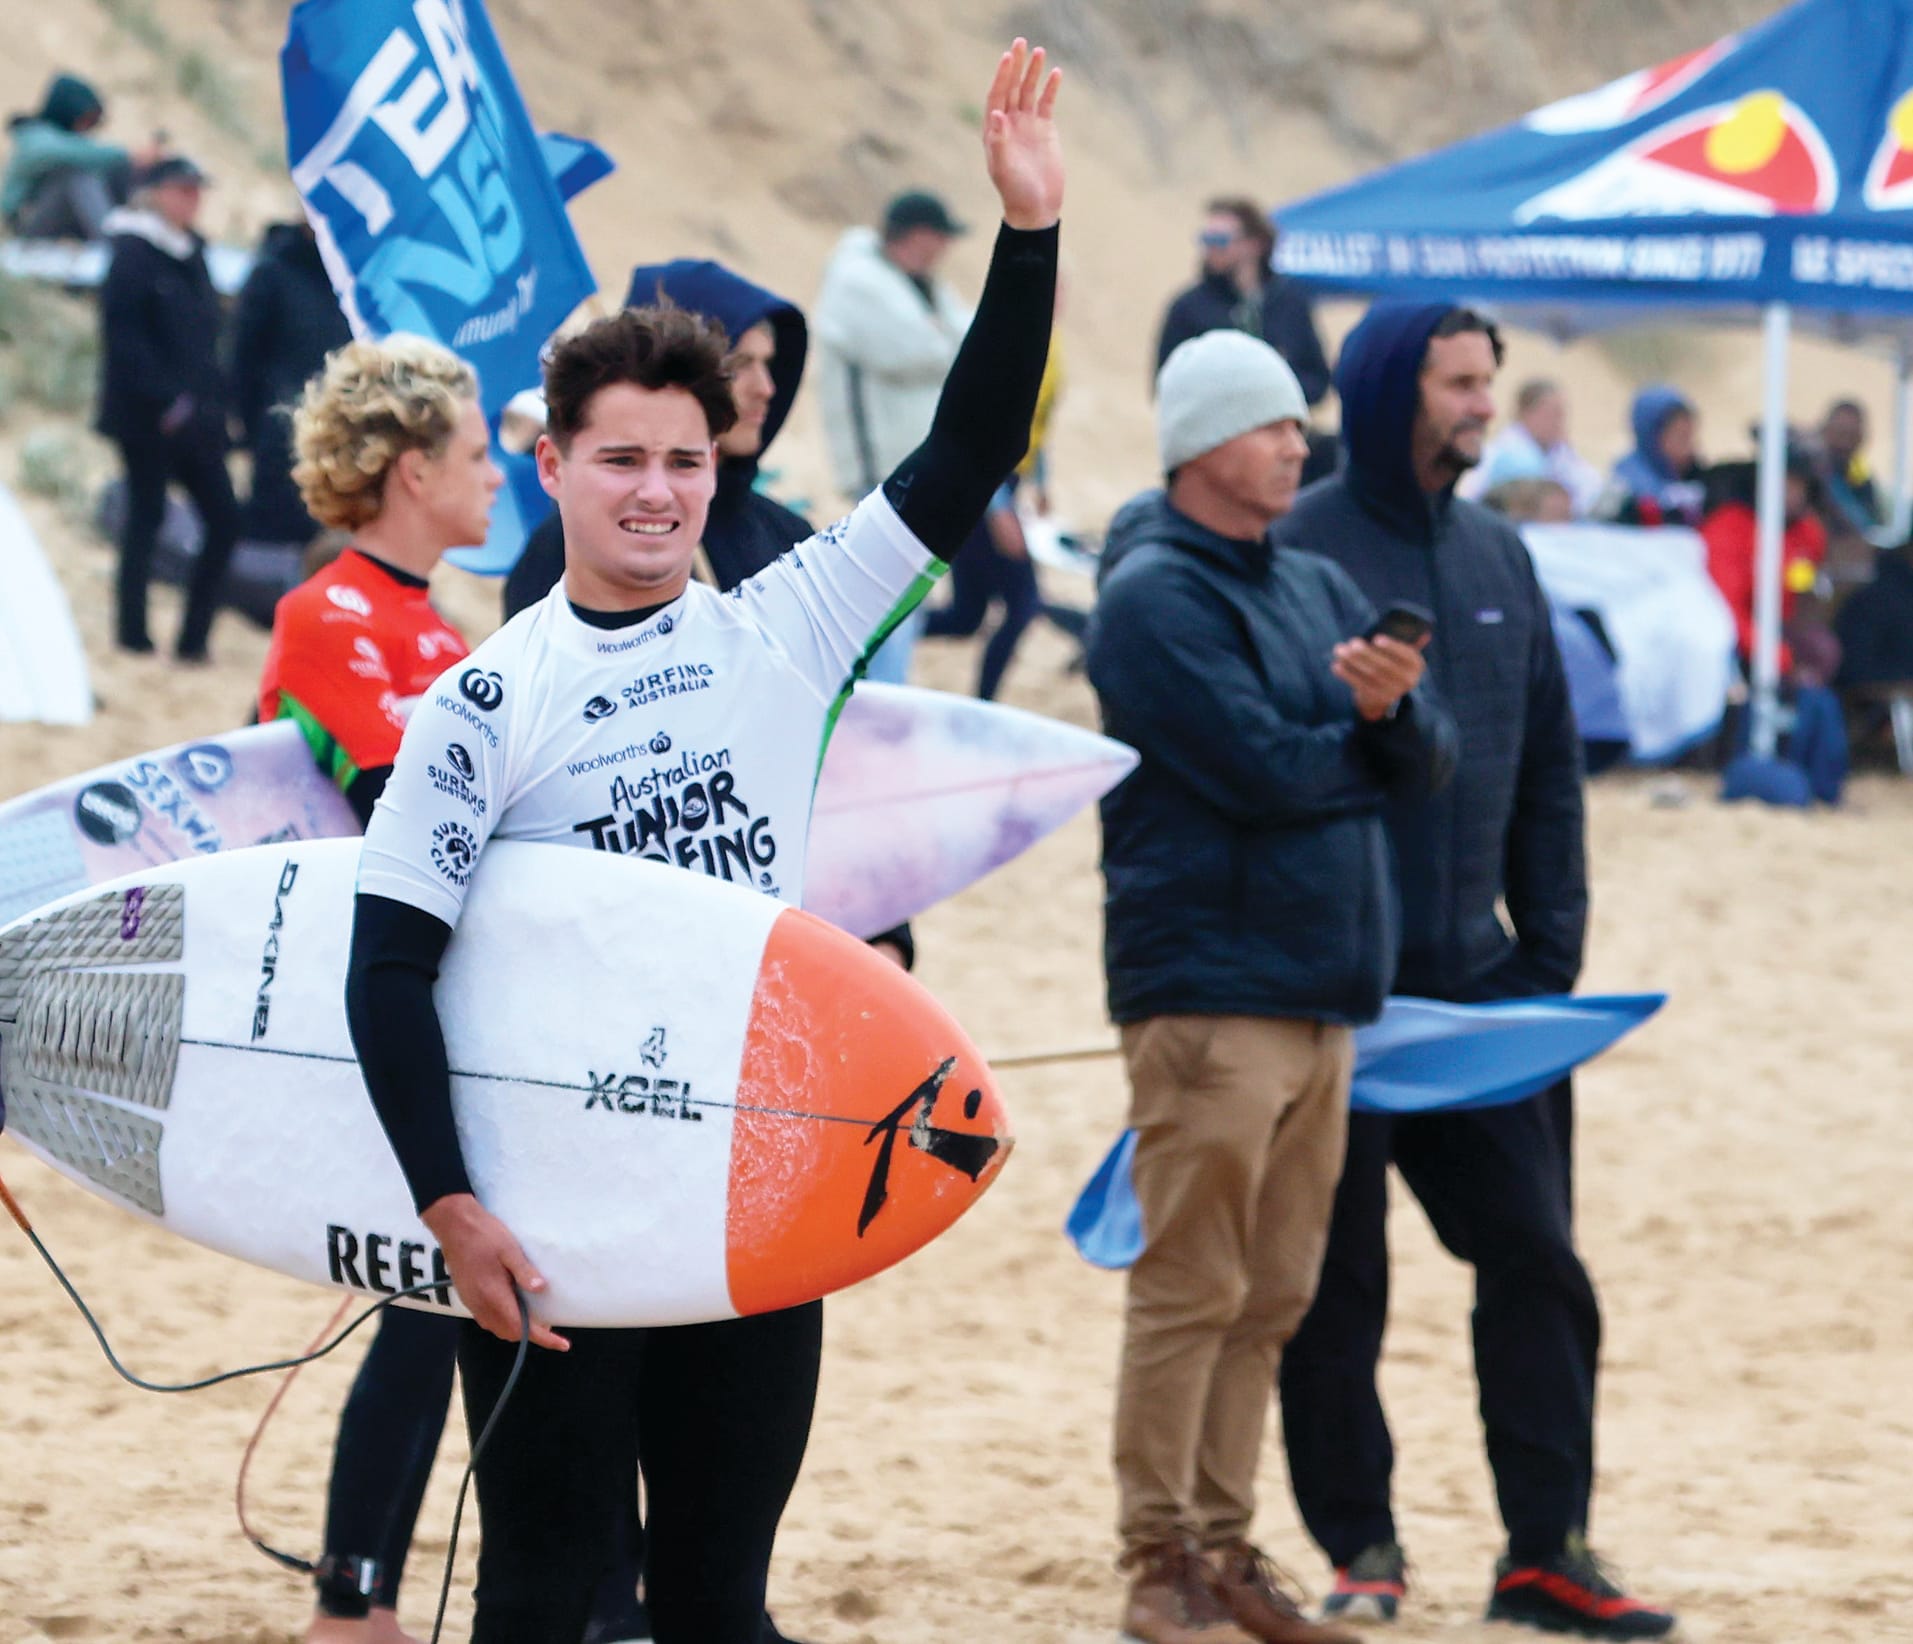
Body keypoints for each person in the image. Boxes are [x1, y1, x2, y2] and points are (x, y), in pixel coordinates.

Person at [342, 41, 1063, 1644]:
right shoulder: (485, 700)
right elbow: (385, 968)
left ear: (717, 463)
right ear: (554, 468)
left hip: (750, 1188)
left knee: (723, 1607)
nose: (658, 492)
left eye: (685, 459)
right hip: (556, 1219)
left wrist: (1029, 238)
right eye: (620, 460)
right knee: (537, 1601)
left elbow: (964, 456)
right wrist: (452, 1209)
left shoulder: (784, 631)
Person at [1275, 302, 1676, 1641]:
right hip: (1334, 1000)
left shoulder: (1500, 548)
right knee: (1337, 1289)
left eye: (1485, 383)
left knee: (1541, 1269)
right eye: (1455, 383)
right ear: (1392, 391)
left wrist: (1548, 961)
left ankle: (1545, 1554)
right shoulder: (1299, 549)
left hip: (1486, 998)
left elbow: (1551, 770)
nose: (1479, 405)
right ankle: (1362, 1549)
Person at [1090, 329, 1454, 1644]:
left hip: (1318, 993)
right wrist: (1364, 736)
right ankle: (1156, 1559)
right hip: (1209, 990)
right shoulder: (1148, 599)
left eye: (1300, 426)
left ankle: (1226, 1546)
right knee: (1191, 1284)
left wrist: (1397, 710)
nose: (1299, 446)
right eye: (1271, 428)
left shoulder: (1301, 583)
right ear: (1199, 447)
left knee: (1276, 1296)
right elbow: (1257, 771)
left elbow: (1425, 760)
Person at [258, 335, 492, 1644]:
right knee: (421, 1299)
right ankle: (351, 1605)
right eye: (473, 455)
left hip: (445, 989)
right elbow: (396, 803)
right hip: (359, 994)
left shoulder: (434, 622)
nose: (496, 479)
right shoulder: (328, 611)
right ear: (413, 470)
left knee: (434, 1301)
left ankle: (365, 1598)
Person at [812, 185, 976, 685]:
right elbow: (920, 351)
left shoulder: (917, 284)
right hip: (880, 470)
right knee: (887, 598)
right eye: (940, 235)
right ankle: (878, 699)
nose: (945, 246)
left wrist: (941, 334)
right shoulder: (858, 281)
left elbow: (972, 339)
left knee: (905, 595)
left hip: (914, 467)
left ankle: (884, 695)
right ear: (917, 236)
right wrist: (940, 336)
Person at [95, 155, 239, 660]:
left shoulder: (193, 250)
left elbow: (206, 337)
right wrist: (164, 401)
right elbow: (123, 336)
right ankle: (132, 634)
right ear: (157, 192)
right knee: (145, 516)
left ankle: (193, 640)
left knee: (224, 520)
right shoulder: (132, 250)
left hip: (196, 419)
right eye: (183, 189)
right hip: (148, 419)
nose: (192, 199)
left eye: (197, 190)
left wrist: (214, 404)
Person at [919, 277, 1065, 698]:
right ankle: (985, 703)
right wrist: (999, 505)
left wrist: (1040, 480)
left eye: (1057, 289)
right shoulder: (1006, 345)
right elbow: (979, 428)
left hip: (1003, 483)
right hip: (980, 488)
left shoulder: (1053, 345)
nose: (1051, 298)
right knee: (1024, 603)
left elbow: (1039, 421)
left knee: (967, 613)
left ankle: (880, 641)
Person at [232, 219, 354, 558]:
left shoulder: (349, 280)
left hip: (336, 439)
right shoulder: (274, 271)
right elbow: (244, 355)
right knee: (270, 545)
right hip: (279, 434)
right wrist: (249, 425)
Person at [1152, 198, 1330, 407]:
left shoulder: (1291, 302)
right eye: (1206, 239)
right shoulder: (1188, 308)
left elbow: (1317, 380)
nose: (1210, 249)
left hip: (1281, 429)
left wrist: (1273, 390)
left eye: (1219, 240)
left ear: (1255, 244)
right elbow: (1165, 386)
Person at [2, 73, 150, 241]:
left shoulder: (63, 142)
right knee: (75, 176)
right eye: (86, 120)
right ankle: (114, 246)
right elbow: (67, 152)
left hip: (58, 222)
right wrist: (130, 154)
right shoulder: (34, 138)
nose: (87, 129)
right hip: (22, 224)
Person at [1459, 379, 1602, 517]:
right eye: (1553, 413)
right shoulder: (1513, 456)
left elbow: (1593, 488)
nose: (1559, 422)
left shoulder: (1558, 452)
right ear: (1527, 413)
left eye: (1562, 415)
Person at [1604, 386, 1704, 527]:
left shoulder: (1695, 476)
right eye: (1681, 437)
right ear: (1652, 437)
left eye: (1691, 436)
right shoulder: (1623, 484)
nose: (1690, 446)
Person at [1815, 398, 1884, 536]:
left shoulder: (1861, 477)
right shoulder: (1809, 471)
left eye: (1852, 434)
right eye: (1841, 432)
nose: (1845, 442)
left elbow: (1868, 526)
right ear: (1824, 431)